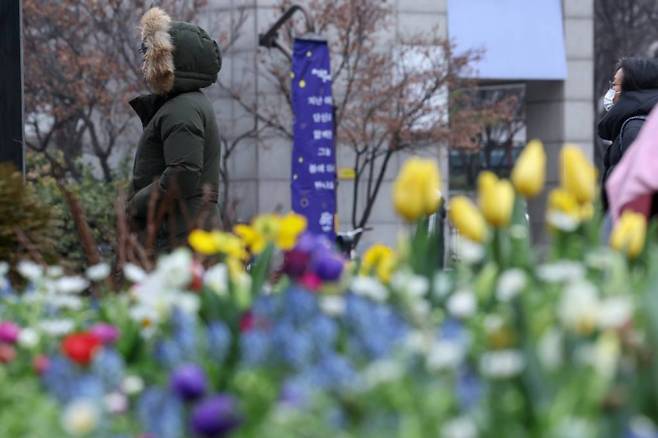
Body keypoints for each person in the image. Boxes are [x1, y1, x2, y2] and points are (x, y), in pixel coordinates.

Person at [127, 7, 222, 250]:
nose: (145, 58)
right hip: (182, 233)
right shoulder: (184, 104)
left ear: (170, 60)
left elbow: (183, 172)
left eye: (150, 52)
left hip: (178, 239)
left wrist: (135, 205)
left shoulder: (182, 109)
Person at [598, 57, 658, 237]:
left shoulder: (636, 128)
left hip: (633, 229)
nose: (611, 92)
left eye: (615, 86)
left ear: (633, 89)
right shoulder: (638, 124)